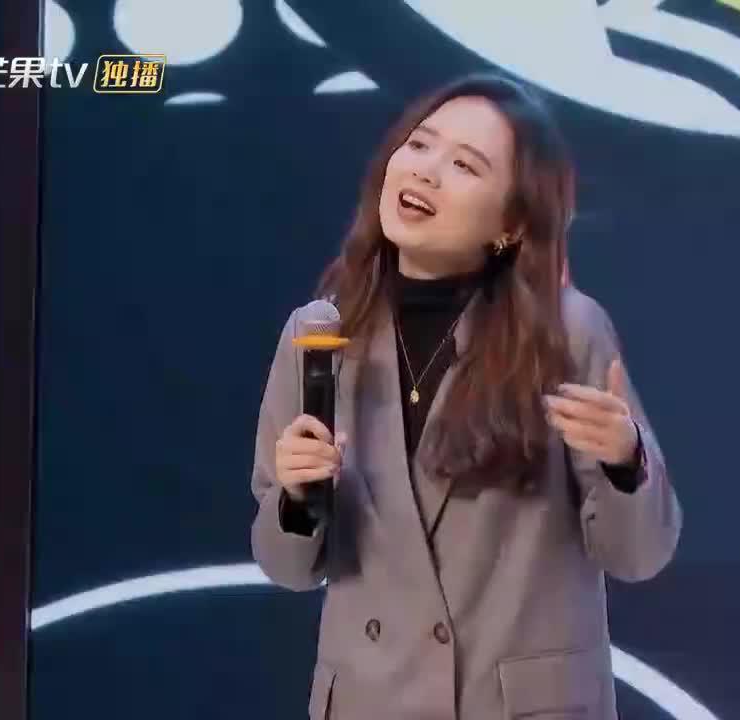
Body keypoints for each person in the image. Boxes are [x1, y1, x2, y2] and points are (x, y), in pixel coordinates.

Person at [250, 73, 681, 720]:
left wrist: (625, 460)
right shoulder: (317, 334)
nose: (425, 171)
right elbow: (287, 568)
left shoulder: (566, 333)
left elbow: (639, 556)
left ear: (511, 224)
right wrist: (296, 499)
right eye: (420, 145)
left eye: (464, 165)